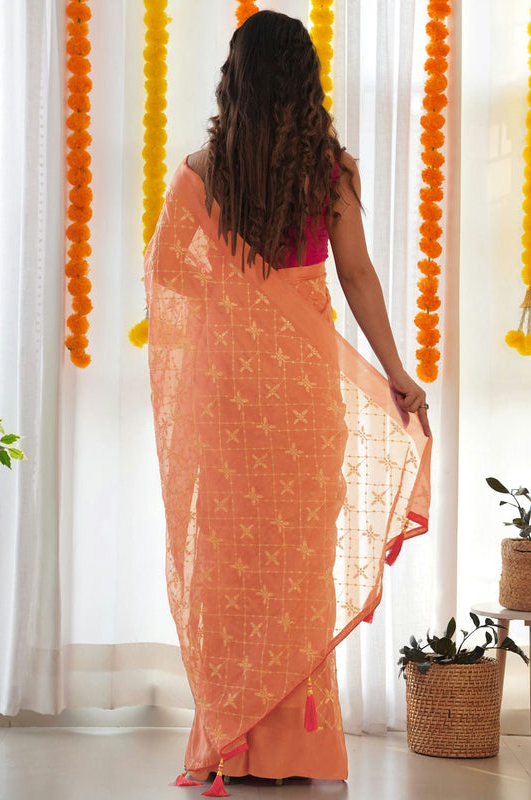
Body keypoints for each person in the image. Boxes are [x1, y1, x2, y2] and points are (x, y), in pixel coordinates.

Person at [144, 10, 432, 791]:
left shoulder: (201, 172)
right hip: (304, 398)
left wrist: (237, 298)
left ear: (234, 80)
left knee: (230, 561)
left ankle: (231, 742)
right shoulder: (329, 171)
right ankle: (300, 752)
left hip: (229, 395)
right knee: (299, 564)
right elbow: (356, 276)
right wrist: (395, 371)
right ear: (305, 81)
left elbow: (165, 276)